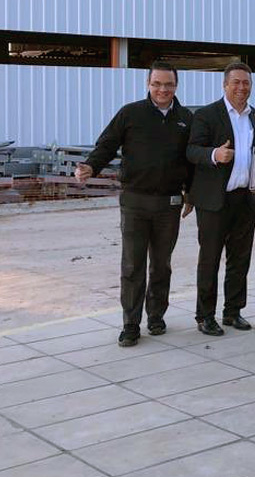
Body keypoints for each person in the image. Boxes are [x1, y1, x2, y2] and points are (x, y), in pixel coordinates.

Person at [77, 61, 193, 346]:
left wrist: (190, 193)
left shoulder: (186, 119)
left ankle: (156, 316)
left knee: (162, 265)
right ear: (148, 84)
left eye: (168, 84)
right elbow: (107, 144)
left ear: (176, 86)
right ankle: (130, 324)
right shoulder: (130, 113)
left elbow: (191, 161)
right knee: (132, 265)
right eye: (157, 84)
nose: (162, 89)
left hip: (169, 204)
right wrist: (91, 166)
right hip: (134, 202)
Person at [186, 62, 255, 337]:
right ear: (225, 85)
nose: (241, 87)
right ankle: (205, 315)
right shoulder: (207, 115)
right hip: (214, 201)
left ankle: (233, 311)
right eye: (236, 82)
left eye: (246, 83)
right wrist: (214, 154)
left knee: (240, 259)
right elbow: (191, 150)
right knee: (210, 259)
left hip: (245, 199)